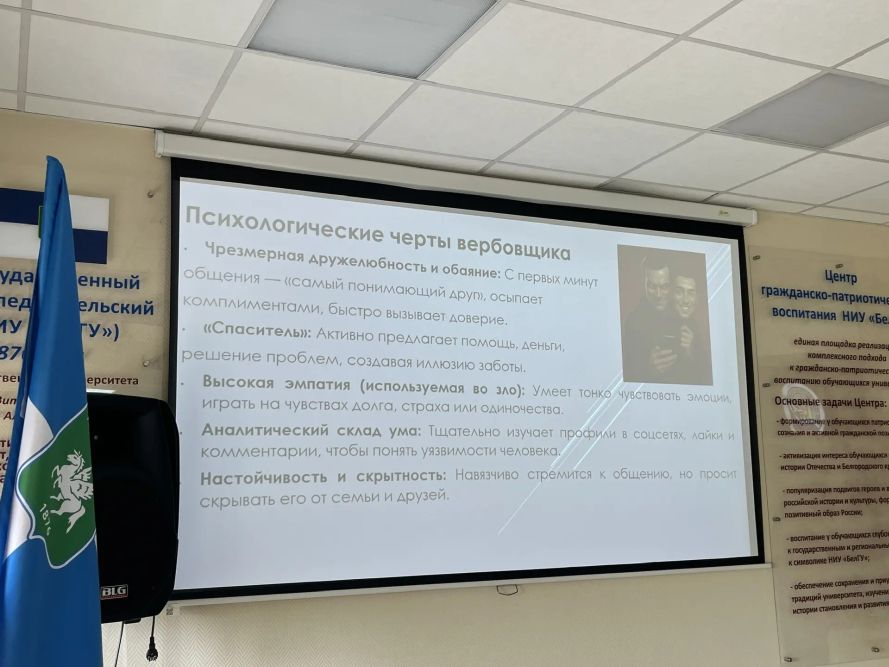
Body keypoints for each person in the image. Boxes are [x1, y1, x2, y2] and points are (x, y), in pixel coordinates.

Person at [620, 253, 680, 382]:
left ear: (671, 285)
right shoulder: (633, 323)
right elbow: (625, 375)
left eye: (664, 286)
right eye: (652, 286)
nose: (658, 295)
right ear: (643, 284)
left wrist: (691, 350)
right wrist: (648, 369)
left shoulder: (682, 316)